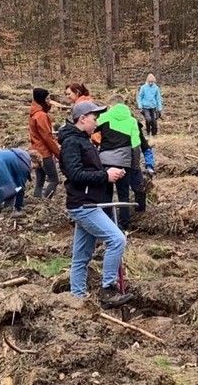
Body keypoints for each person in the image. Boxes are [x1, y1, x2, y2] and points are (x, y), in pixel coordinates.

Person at [58, 100, 133, 308]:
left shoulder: (83, 140)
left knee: (80, 257)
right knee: (117, 240)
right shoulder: (72, 143)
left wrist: (111, 174)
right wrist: (104, 176)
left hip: (90, 202)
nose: (97, 121)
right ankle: (108, 289)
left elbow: (88, 171)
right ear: (82, 119)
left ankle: (77, 299)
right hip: (84, 205)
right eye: (94, 117)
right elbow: (75, 174)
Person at [97, 97, 146, 229]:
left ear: (111, 105)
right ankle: (124, 225)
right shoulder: (132, 121)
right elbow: (136, 146)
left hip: (104, 161)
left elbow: (93, 133)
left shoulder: (104, 117)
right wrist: (134, 166)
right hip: (124, 162)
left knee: (106, 194)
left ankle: (106, 224)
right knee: (123, 195)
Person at [28, 88, 61, 199]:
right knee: (54, 180)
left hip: (35, 151)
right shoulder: (41, 115)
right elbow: (47, 137)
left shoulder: (33, 114)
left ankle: (37, 200)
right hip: (44, 153)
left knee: (40, 180)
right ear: (42, 99)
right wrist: (58, 153)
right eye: (47, 98)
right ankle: (46, 201)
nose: (49, 101)